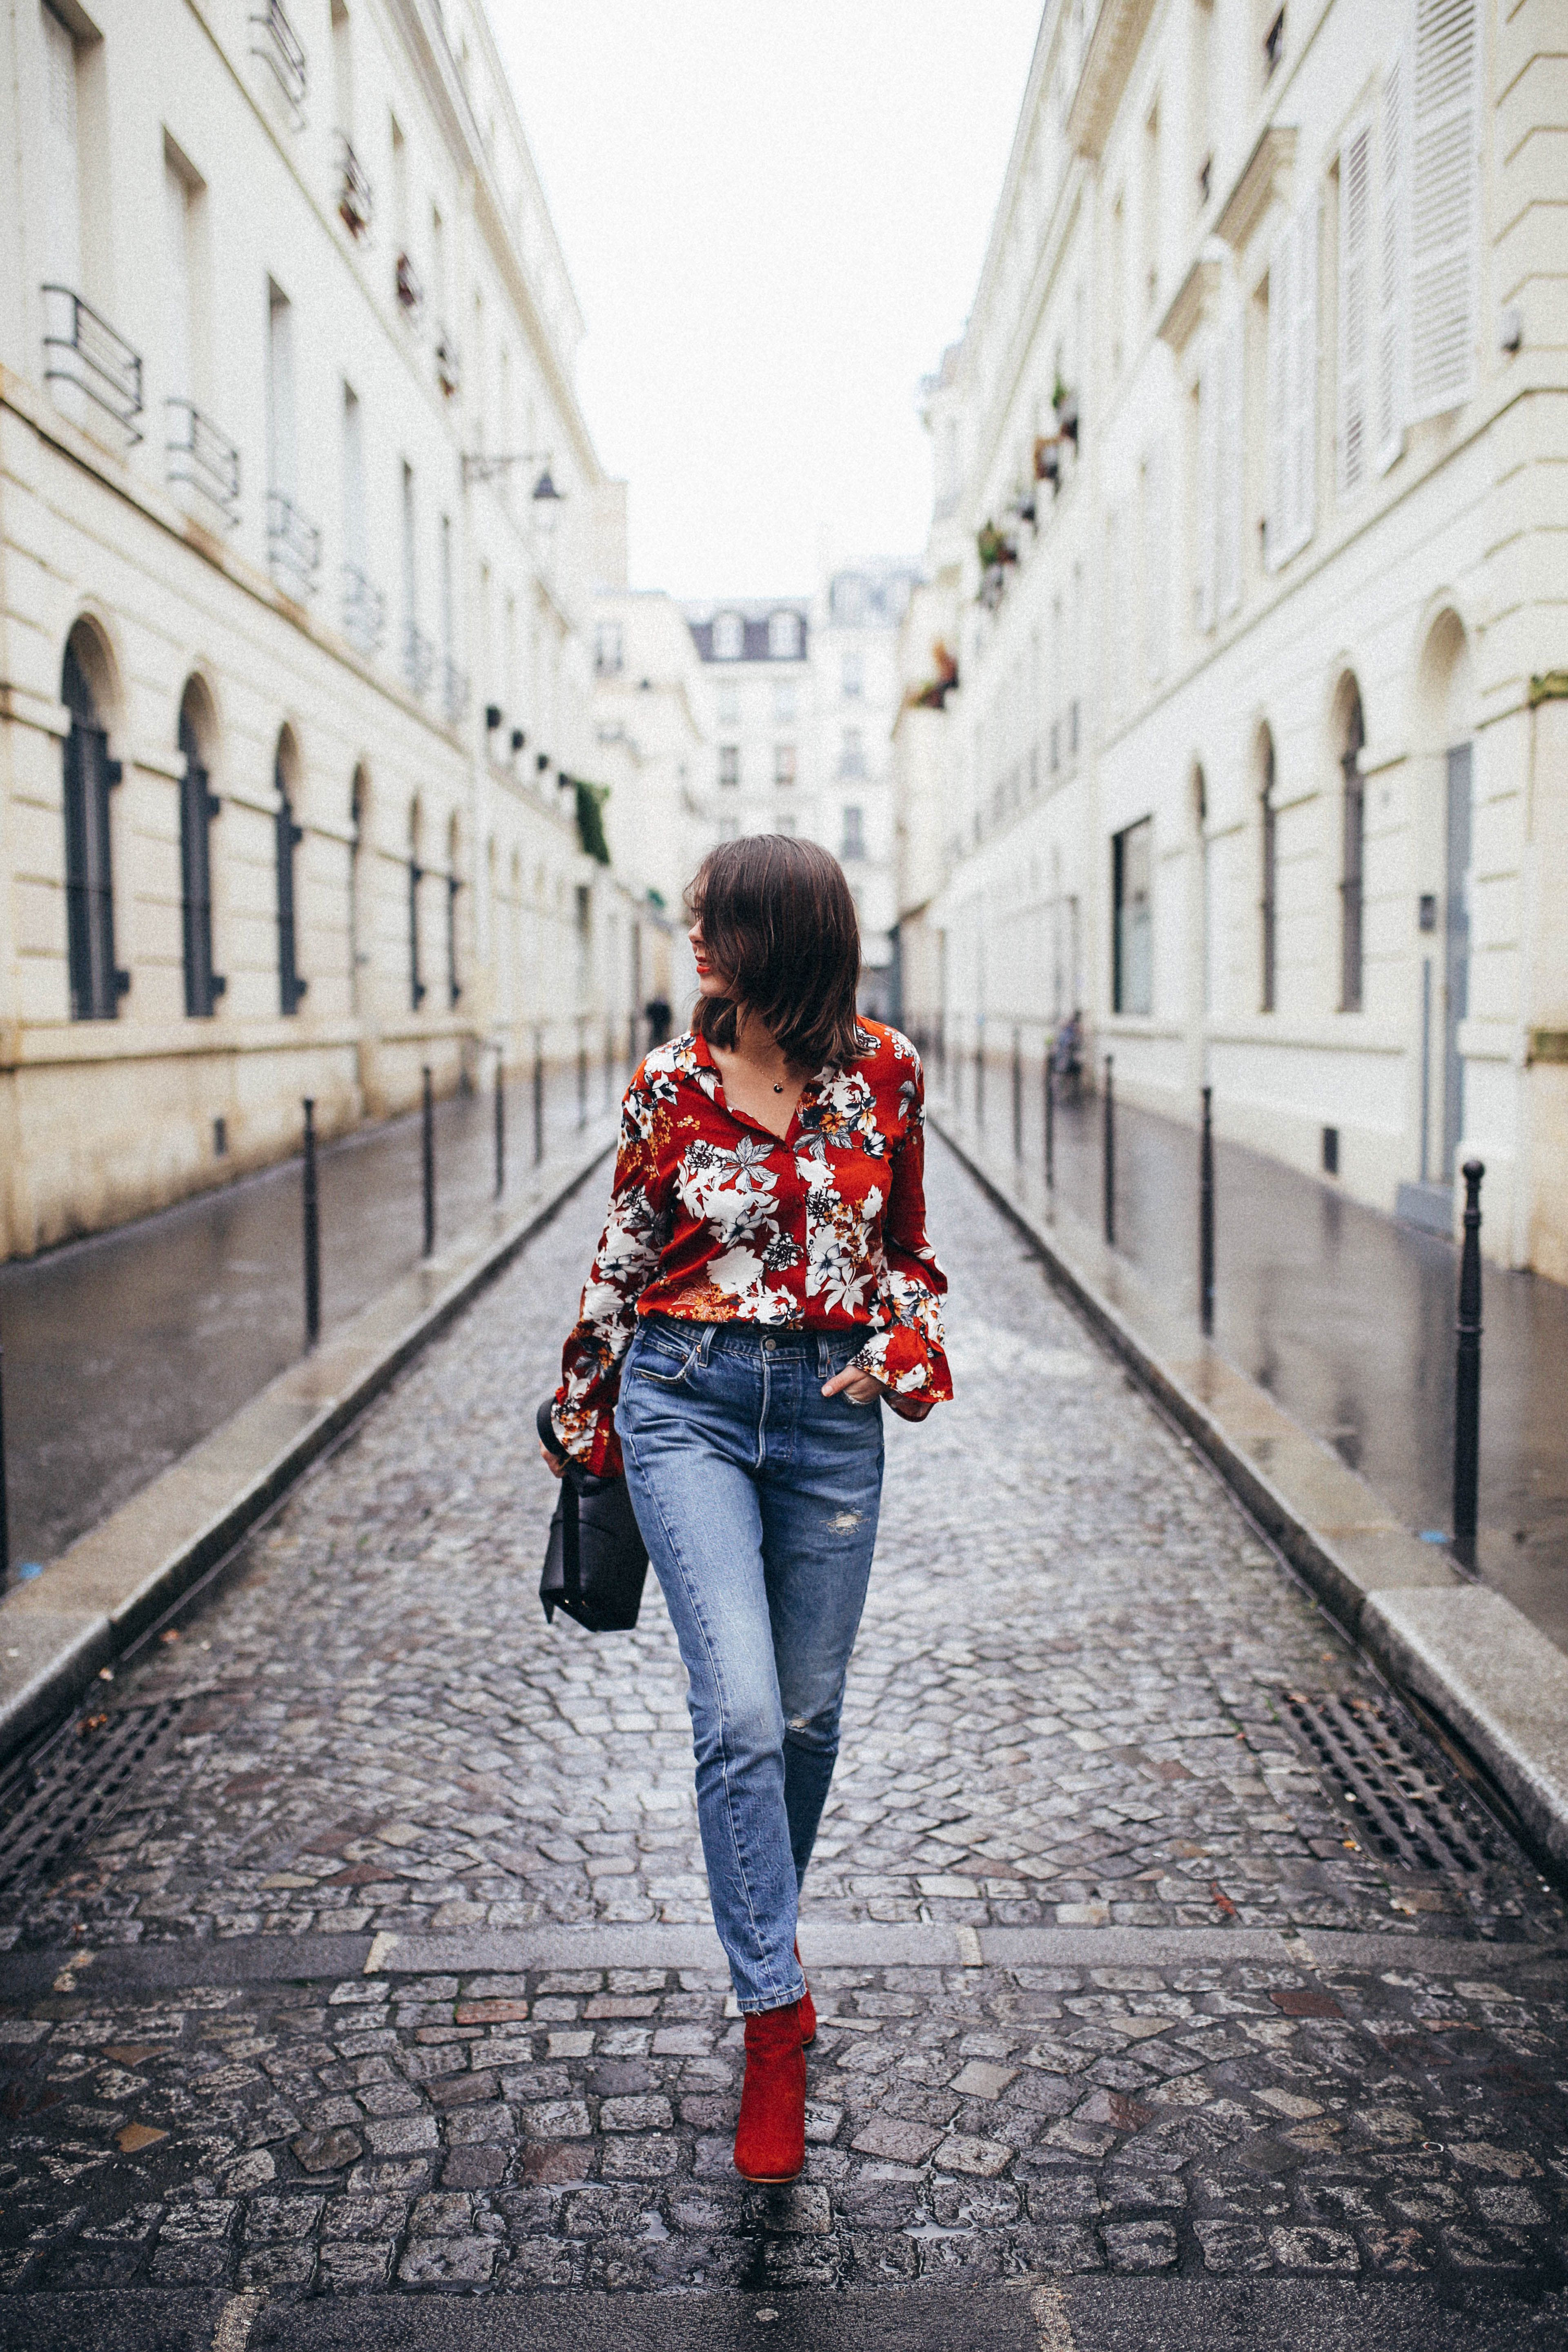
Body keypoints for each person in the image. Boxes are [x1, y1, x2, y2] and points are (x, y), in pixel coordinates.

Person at [543, 835, 951, 2185]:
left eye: (715, 919)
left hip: (829, 1423)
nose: (695, 937)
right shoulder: (668, 1084)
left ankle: (764, 1939)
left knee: (805, 1718)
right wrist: (584, 1416)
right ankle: (772, 2014)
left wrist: (902, 1355)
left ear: (782, 936)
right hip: (688, 1404)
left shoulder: (885, 1074)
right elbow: (622, 1257)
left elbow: (911, 1259)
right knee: (735, 1715)